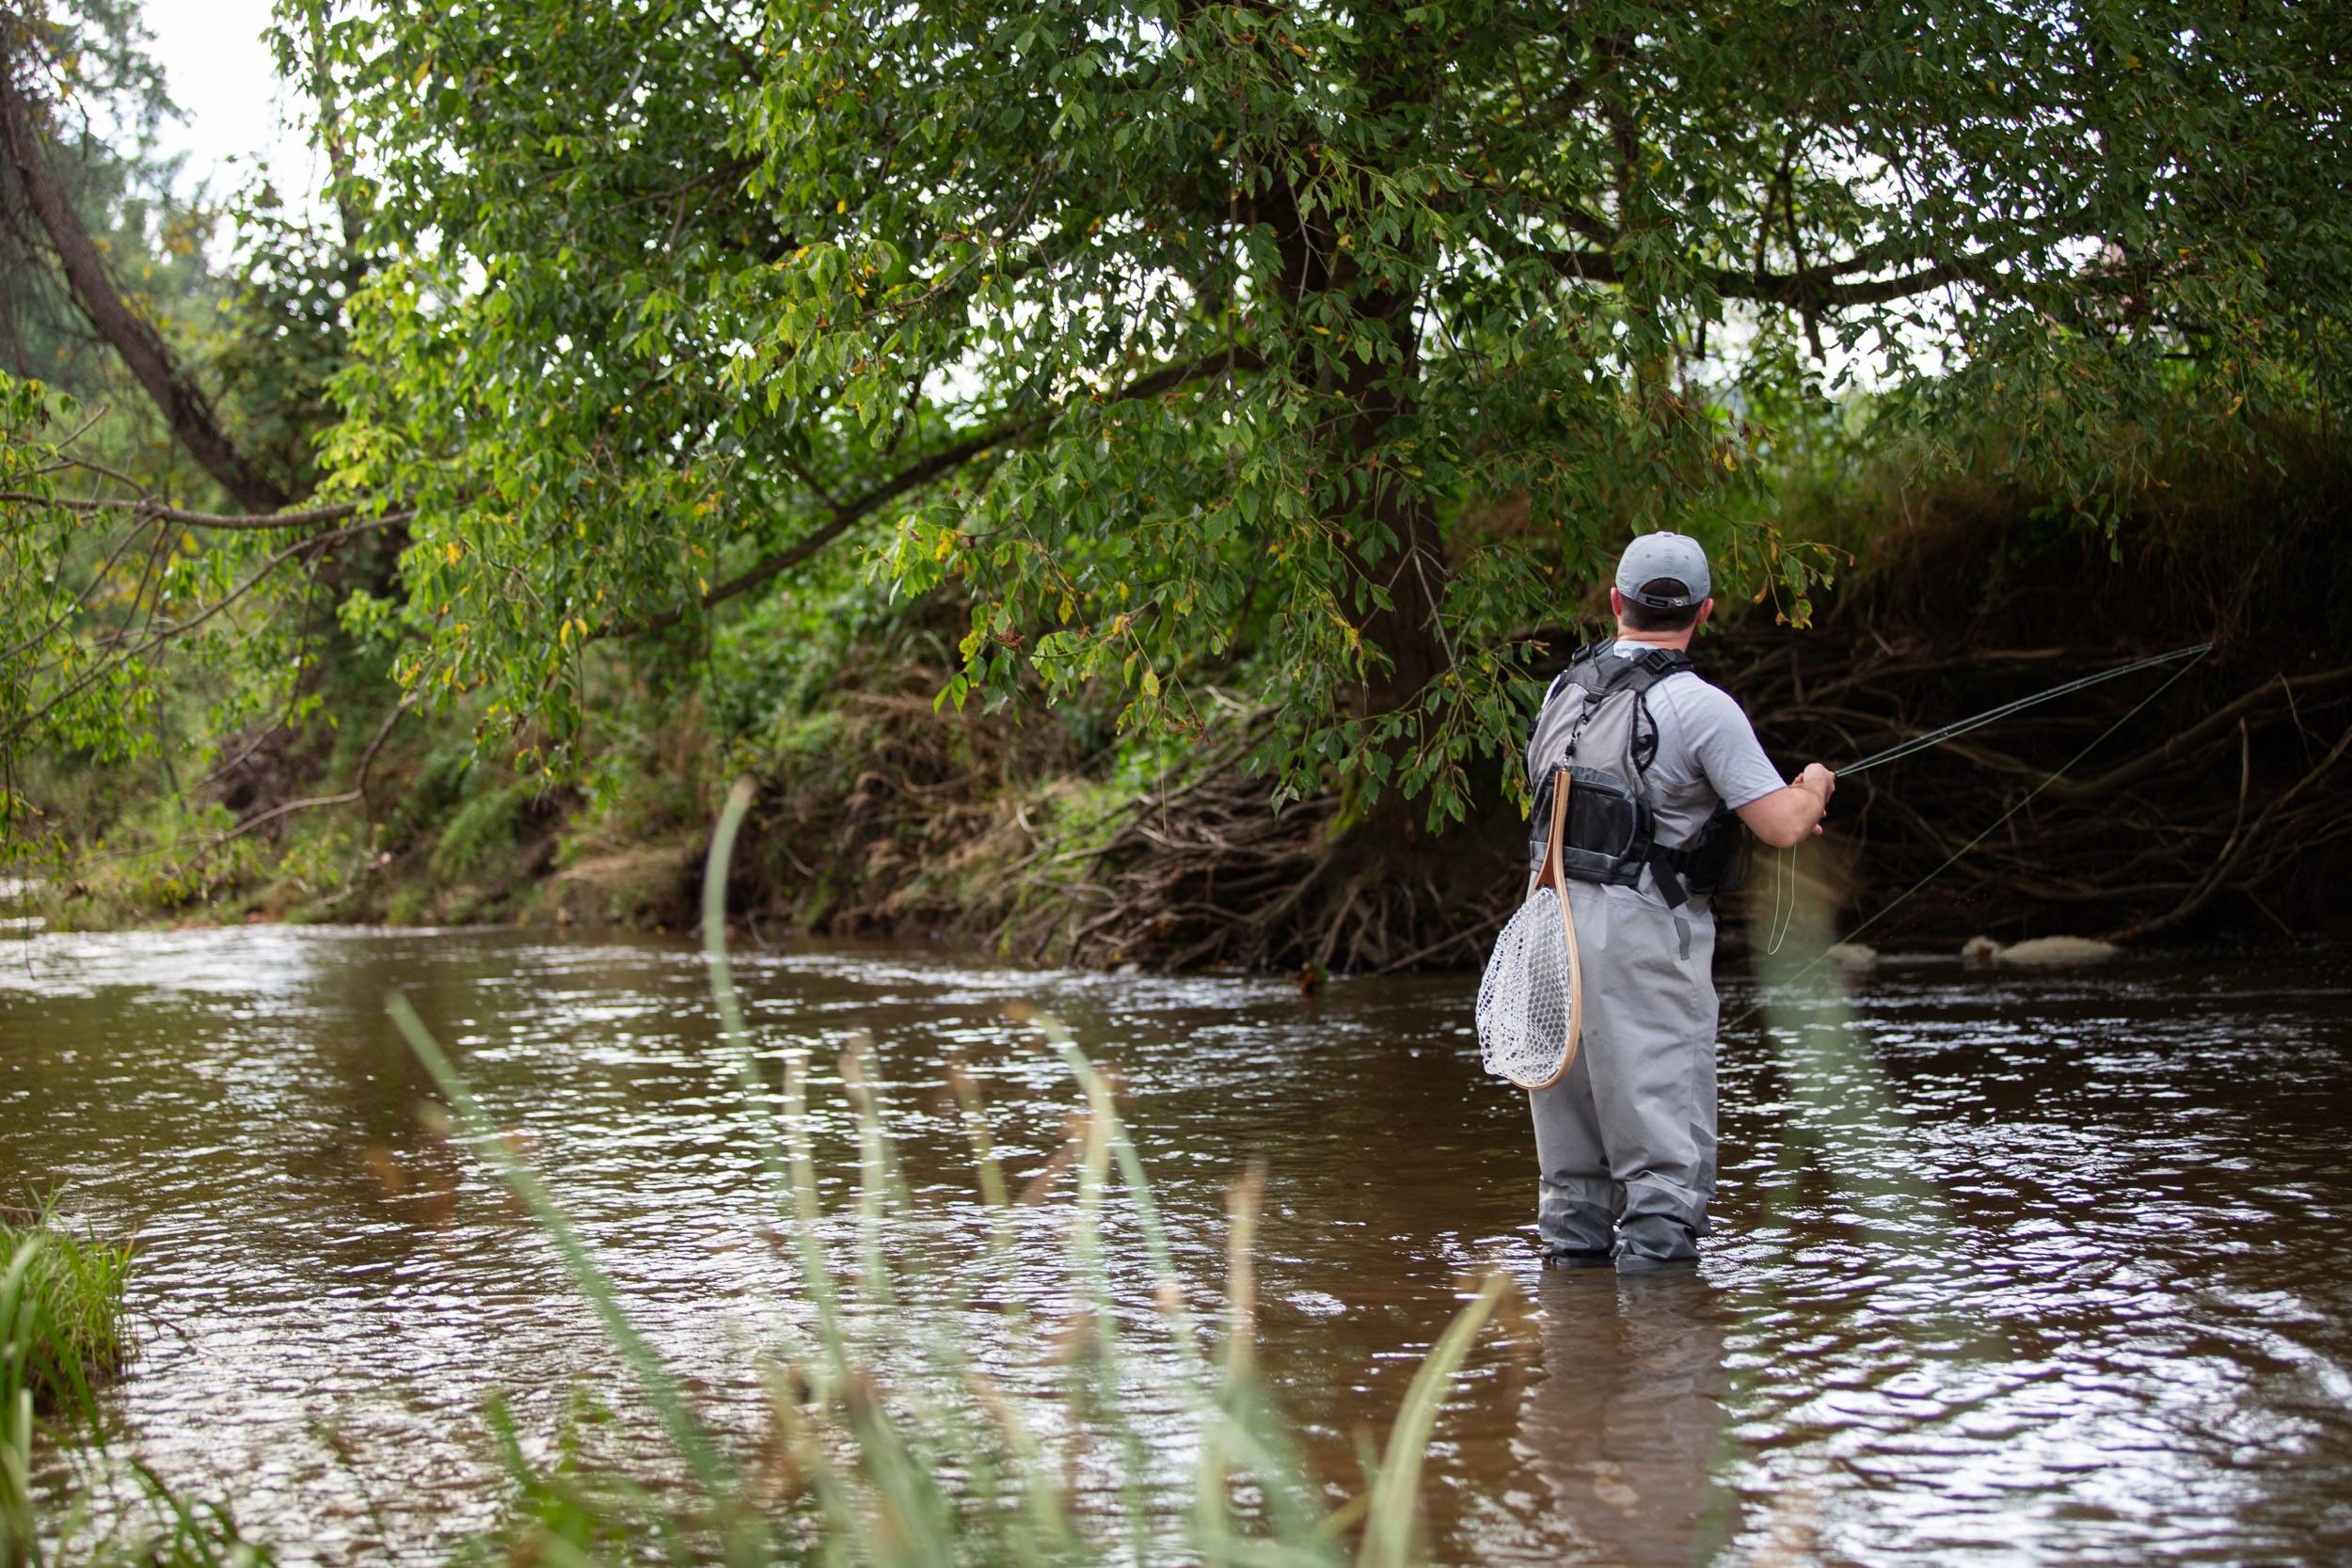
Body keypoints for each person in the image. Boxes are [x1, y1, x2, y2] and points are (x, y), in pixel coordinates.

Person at [1526, 531, 1835, 1270]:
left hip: (1544, 926)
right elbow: (1783, 825)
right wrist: (1817, 782)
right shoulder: (1702, 707)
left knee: (1573, 1170)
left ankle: (1578, 1346)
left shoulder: (1561, 690)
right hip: (1640, 936)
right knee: (1664, 1162)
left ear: (1615, 603)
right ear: (1705, 612)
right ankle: (1664, 1363)